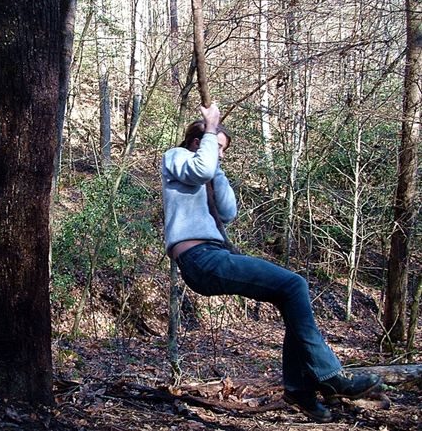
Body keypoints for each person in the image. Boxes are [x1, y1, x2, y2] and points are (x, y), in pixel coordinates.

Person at [161, 103, 381, 423]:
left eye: (222, 150)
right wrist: (211, 131)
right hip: (199, 259)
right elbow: (201, 169)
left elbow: (227, 211)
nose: (220, 154)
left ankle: (300, 391)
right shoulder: (176, 157)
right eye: (217, 148)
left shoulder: (208, 167)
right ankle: (330, 376)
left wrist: (218, 169)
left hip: (216, 255)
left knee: (289, 293)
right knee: (294, 284)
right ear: (199, 142)